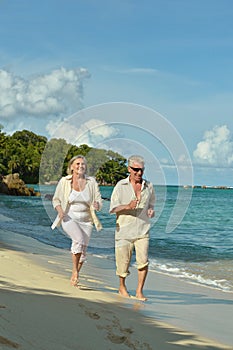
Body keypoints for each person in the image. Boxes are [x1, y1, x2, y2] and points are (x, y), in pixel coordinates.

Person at [51, 155, 102, 287]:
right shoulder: (64, 181)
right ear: (72, 167)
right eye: (77, 164)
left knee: (83, 250)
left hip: (87, 221)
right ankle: (75, 272)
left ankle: (75, 274)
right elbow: (56, 199)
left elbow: (98, 200)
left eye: (83, 164)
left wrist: (97, 205)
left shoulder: (92, 182)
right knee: (78, 240)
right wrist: (60, 211)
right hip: (69, 217)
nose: (80, 166)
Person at [110, 155, 155, 301]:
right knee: (123, 263)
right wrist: (127, 206)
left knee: (143, 261)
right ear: (129, 169)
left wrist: (151, 210)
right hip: (123, 231)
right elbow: (112, 209)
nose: (139, 173)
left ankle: (139, 291)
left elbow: (151, 204)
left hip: (143, 230)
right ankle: (122, 287)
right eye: (135, 170)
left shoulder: (149, 186)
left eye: (141, 170)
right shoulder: (120, 186)